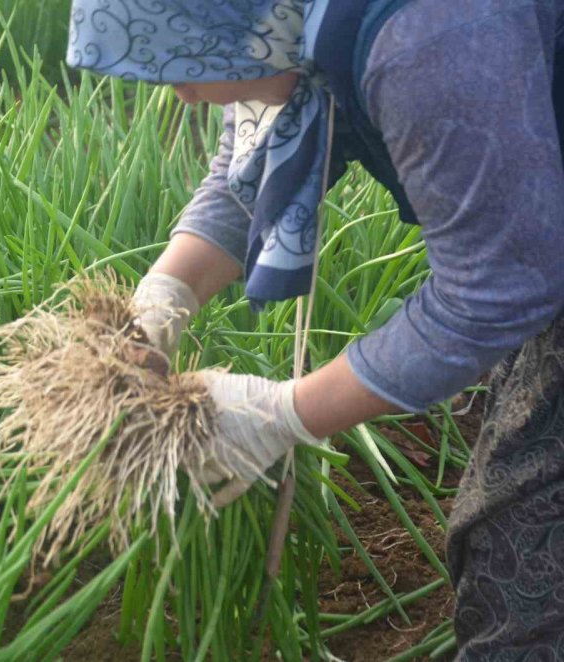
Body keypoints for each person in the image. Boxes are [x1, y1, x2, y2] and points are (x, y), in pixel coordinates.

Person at [66, 0, 564, 658]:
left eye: (185, 67)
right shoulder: (281, 28)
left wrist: (280, 415)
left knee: (526, 559)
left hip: (531, 257)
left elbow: (498, 291)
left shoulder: (431, 39)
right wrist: (162, 300)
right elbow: (248, 169)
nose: (182, 95)